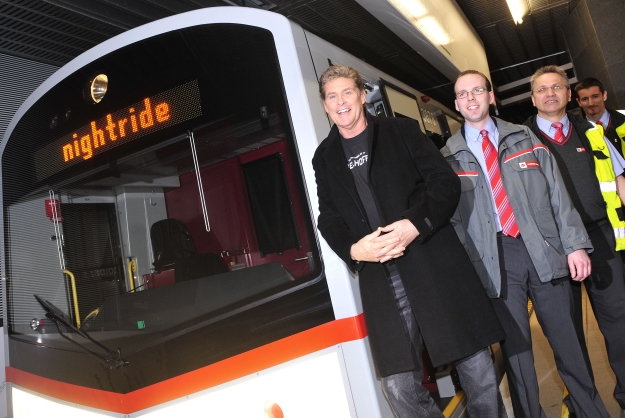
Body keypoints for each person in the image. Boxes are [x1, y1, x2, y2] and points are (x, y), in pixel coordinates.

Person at [312, 65, 506, 417]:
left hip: (431, 259)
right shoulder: (324, 158)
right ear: (325, 105)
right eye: (331, 96)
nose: (341, 102)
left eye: (347, 92)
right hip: (382, 278)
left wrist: (415, 225)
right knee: (397, 386)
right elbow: (329, 218)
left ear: (361, 95)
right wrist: (354, 250)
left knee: (474, 365)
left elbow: (444, 184)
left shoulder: (401, 131)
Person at [442, 69, 607, 418]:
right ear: (456, 104)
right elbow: (454, 223)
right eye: (463, 94)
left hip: (544, 250)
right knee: (516, 358)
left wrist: (575, 244)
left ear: (491, 97)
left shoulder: (526, 138)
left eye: (477, 91)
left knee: (571, 348)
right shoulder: (447, 159)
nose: (471, 98)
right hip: (494, 263)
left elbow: (557, 195)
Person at [524, 65, 625, 417]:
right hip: (552, 248)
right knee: (568, 337)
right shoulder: (521, 140)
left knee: (620, 322)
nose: (550, 93)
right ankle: (585, 407)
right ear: (533, 97)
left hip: (601, 238)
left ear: (569, 95)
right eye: (542, 89)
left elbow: (619, 178)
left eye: (557, 87)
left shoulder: (592, 131)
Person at [575, 77, 625, 157]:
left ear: (604, 95)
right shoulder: (579, 134)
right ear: (579, 102)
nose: (591, 103)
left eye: (595, 96)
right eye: (585, 99)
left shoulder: (623, 118)